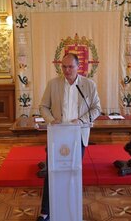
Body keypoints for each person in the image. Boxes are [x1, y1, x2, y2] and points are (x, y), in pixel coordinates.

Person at [37, 53, 101, 221]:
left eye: (70, 67)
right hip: (57, 136)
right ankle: (45, 212)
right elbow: (43, 107)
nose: (66, 70)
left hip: (77, 135)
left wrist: (80, 120)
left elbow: (96, 109)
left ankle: (70, 208)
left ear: (78, 67)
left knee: (73, 171)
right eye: (63, 67)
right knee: (52, 172)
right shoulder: (53, 84)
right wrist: (52, 120)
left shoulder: (88, 85)